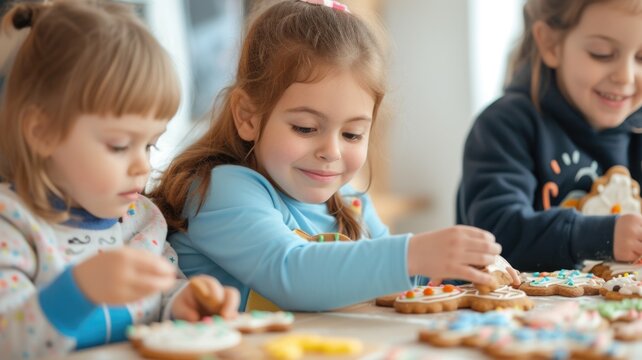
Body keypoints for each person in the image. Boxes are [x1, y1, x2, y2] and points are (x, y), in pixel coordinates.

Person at [150, 0, 516, 313]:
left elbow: (388, 282)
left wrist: (459, 268)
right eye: (306, 128)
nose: (331, 151)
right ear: (248, 116)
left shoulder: (353, 205)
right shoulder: (220, 189)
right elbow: (290, 273)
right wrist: (413, 253)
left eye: (352, 134)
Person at [0, 1, 239, 358]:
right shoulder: (12, 225)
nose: (141, 165)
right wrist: (79, 290)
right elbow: (9, 340)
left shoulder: (140, 220)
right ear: (42, 131)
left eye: (150, 145)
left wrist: (183, 302)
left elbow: (161, 296)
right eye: (119, 145)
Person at [457, 0, 642, 271]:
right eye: (601, 53)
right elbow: (494, 235)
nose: (625, 76)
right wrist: (601, 236)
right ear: (551, 44)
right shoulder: (506, 126)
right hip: (514, 309)